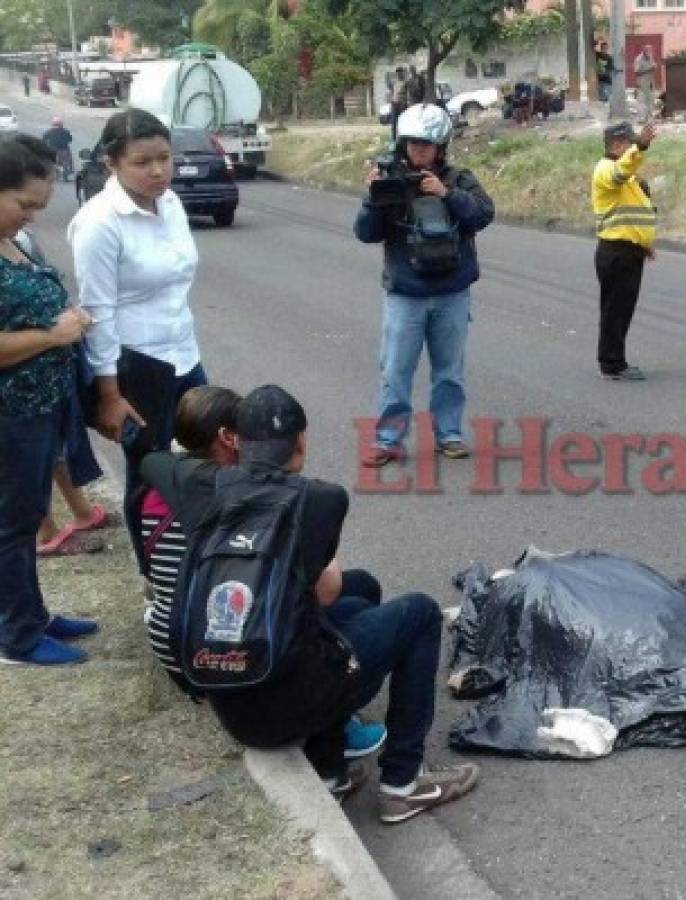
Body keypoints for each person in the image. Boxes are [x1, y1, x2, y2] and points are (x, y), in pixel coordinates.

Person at [146, 384, 480, 819]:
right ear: (301, 441)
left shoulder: (199, 485)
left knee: (350, 613)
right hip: (288, 703)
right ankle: (403, 783)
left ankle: (329, 774)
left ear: (237, 442)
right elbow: (326, 588)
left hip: (230, 704)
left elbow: (154, 461)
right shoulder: (321, 499)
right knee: (418, 613)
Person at [139, 386, 386, 760]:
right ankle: (351, 750)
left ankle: (336, 726)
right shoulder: (227, 493)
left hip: (187, 648)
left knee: (356, 590)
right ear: (230, 437)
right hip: (245, 660)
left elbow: (152, 461)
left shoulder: (179, 486)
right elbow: (325, 590)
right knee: (339, 602)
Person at [68, 108, 207, 572]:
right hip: (136, 367)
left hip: (185, 355)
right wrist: (110, 394)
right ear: (111, 163)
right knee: (149, 475)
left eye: (164, 158)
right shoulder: (99, 222)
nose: (157, 171)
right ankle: (155, 576)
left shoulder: (171, 204)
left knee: (209, 459)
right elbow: (99, 312)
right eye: (142, 161)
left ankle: (199, 560)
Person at [0, 134, 99, 666]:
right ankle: (17, 637)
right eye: (25, 205)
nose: (32, 216)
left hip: (38, 408)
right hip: (10, 413)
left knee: (28, 513)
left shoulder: (12, 242)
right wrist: (52, 336)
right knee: (13, 525)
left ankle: (30, 614)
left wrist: (69, 321)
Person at [354, 103, 495, 466]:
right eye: (413, 143)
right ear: (402, 143)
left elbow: (483, 214)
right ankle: (387, 440)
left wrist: (446, 194)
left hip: (452, 293)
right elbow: (365, 234)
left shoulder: (459, 178)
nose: (419, 149)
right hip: (406, 294)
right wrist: (373, 198)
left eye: (427, 144)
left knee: (450, 371)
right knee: (396, 370)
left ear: (440, 146)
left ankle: (449, 434)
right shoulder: (389, 181)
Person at [591, 122, 658, 381]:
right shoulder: (606, 170)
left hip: (628, 251)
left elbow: (634, 210)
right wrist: (641, 146)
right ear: (619, 145)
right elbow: (621, 171)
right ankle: (612, 364)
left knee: (621, 309)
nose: (633, 150)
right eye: (629, 144)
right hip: (616, 252)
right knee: (615, 310)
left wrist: (644, 242)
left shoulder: (623, 172)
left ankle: (614, 360)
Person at [42, 116, 73, 182]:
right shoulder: (66, 131)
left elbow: (44, 139)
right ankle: (67, 173)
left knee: (51, 163)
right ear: (61, 124)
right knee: (67, 161)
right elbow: (70, 140)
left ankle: (55, 175)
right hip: (64, 149)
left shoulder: (49, 131)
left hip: (52, 149)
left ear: (53, 124)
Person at [634, 46, 657, 123]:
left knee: (650, 101)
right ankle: (641, 119)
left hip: (650, 82)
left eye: (650, 51)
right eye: (648, 51)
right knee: (641, 102)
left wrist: (653, 68)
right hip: (642, 83)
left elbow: (653, 67)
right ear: (644, 51)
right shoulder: (639, 59)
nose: (650, 53)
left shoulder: (650, 57)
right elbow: (636, 72)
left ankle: (650, 118)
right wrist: (649, 69)